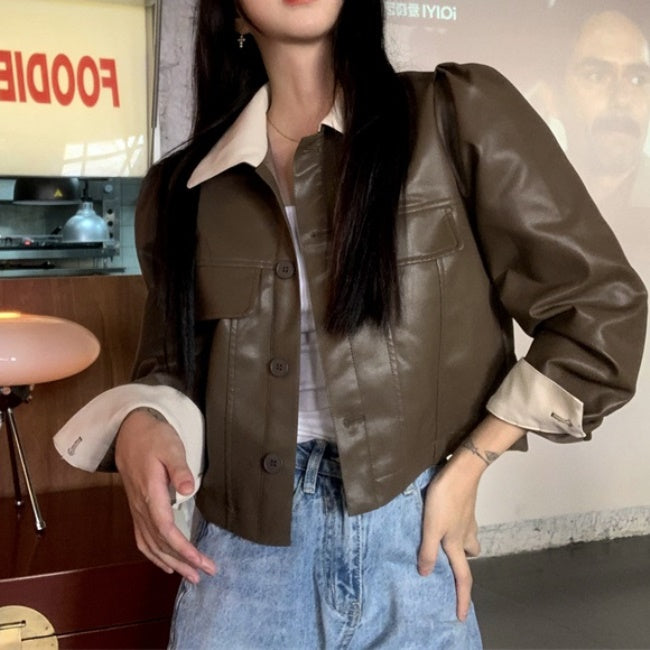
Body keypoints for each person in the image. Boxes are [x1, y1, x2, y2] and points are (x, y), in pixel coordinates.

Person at [53, 0, 647, 648]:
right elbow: (170, 366)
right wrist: (143, 421)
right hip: (242, 561)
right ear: (234, 15)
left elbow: (600, 308)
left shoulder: (452, 116)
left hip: (413, 542)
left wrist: (472, 462)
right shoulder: (184, 189)